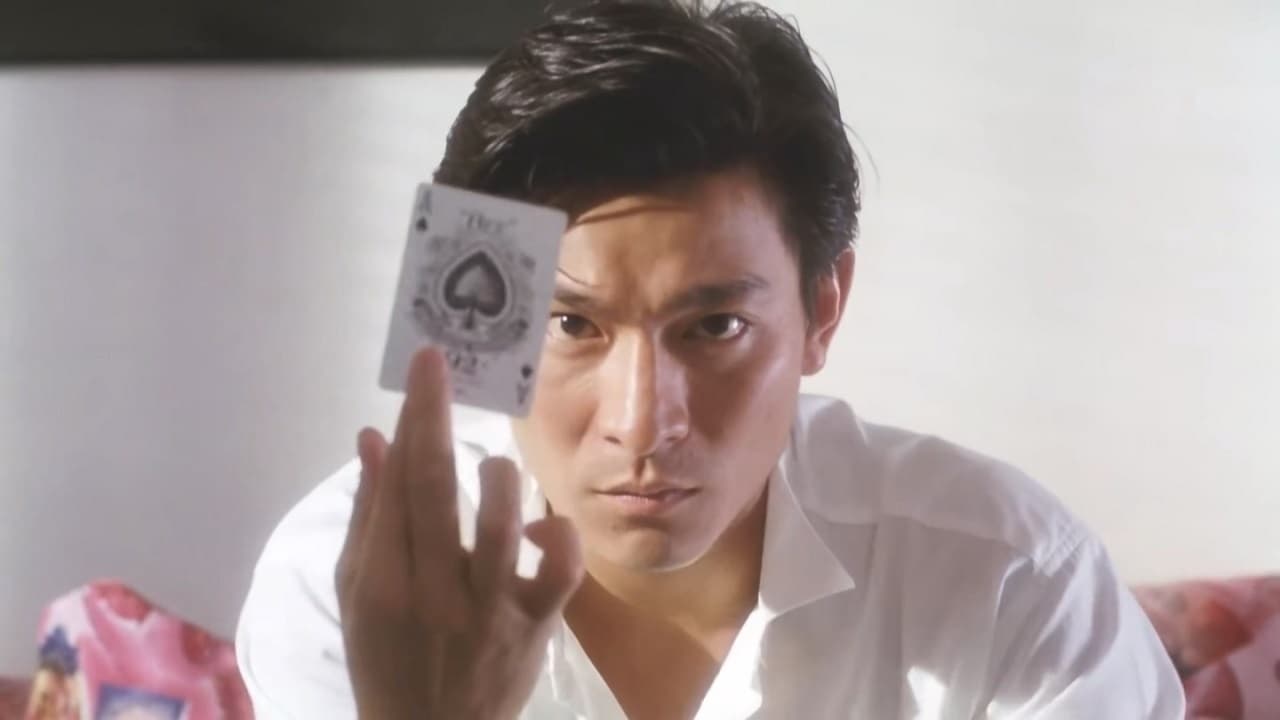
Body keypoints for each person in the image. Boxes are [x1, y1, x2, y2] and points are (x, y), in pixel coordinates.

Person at [235, 1, 1185, 717]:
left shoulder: (1012, 582)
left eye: (715, 327)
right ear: (492, 323)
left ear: (822, 308)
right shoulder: (343, 586)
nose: (643, 423)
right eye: (572, 325)